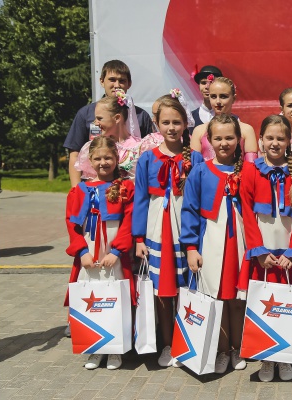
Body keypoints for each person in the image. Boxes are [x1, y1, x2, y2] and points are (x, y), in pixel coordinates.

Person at [237, 114, 292, 382]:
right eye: (270, 138)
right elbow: (247, 213)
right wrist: (259, 251)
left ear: (289, 141)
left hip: (291, 252)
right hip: (263, 251)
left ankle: (285, 357)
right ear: (260, 140)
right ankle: (266, 358)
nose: (274, 143)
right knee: (263, 305)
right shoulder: (250, 171)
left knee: (289, 306)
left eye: (280, 138)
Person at [132, 95, 204, 368]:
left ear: (185, 124)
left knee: (187, 286)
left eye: (176, 122)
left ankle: (187, 342)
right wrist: (139, 238)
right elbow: (141, 199)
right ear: (156, 124)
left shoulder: (196, 158)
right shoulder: (147, 159)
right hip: (157, 228)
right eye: (166, 122)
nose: (171, 128)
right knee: (162, 290)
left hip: (186, 227)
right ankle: (167, 343)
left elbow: (201, 199)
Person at [180, 114, 248, 374]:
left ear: (238, 139)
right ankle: (222, 350)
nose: (223, 143)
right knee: (215, 297)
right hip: (210, 241)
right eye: (218, 138)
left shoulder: (248, 171)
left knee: (238, 299)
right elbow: (189, 210)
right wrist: (191, 247)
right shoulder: (200, 171)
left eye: (229, 137)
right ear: (209, 140)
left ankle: (238, 347)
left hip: (240, 241)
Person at [63, 136, 137, 370]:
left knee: (115, 297)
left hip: (113, 252)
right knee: (91, 298)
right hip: (89, 251)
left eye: (108, 157)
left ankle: (115, 349)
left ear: (116, 158)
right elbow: (72, 224)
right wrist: (81, 252)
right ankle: (94, 347)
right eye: (98, 158)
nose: (103, 162)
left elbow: (129, 222)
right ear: (90, 160)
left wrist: (117, 251)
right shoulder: (79, 190)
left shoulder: (126, 187)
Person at [64, 59, 155, 187]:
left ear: (129, 84)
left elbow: (151, 156)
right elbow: (75, 154)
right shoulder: (86, 113)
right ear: (102, 81)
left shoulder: (141, 116)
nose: (117, 85)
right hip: (96, 186)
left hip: (130, 189)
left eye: (122, 81)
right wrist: (76, 191)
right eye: (112, 80)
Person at [75, 89, 143, 182]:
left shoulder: (138, 147)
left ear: (117, 118)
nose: (95, 123)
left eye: (99, 118)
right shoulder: (96, 146)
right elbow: (91, 183)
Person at [189, 77, 258, 162]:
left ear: (233, 98)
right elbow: (195, 166)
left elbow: (251, 165)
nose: (218, 101)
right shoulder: (199, 131)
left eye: (223, 96)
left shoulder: (246, 130)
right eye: (213, 96)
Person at [187, 65, 224, 140]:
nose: (207, 87)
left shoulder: (232, 118)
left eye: (211, 82)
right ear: (199, 86)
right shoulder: (190, 117)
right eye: (203, 83)